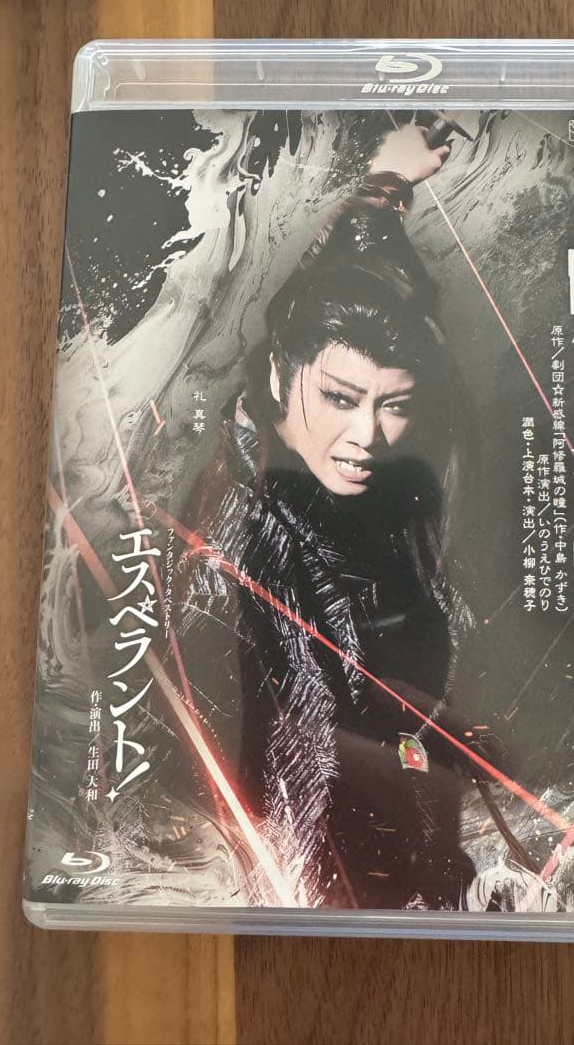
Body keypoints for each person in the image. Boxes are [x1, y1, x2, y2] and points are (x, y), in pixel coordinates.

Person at [175, 124, 482, 910]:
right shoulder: (254, 524)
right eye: (341, 399)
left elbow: (372, 295)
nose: (366, 436)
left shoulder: (401, 480)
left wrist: (386, 190)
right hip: (306, 846)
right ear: (282, 376)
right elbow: (301, 726)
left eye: (394, 406)